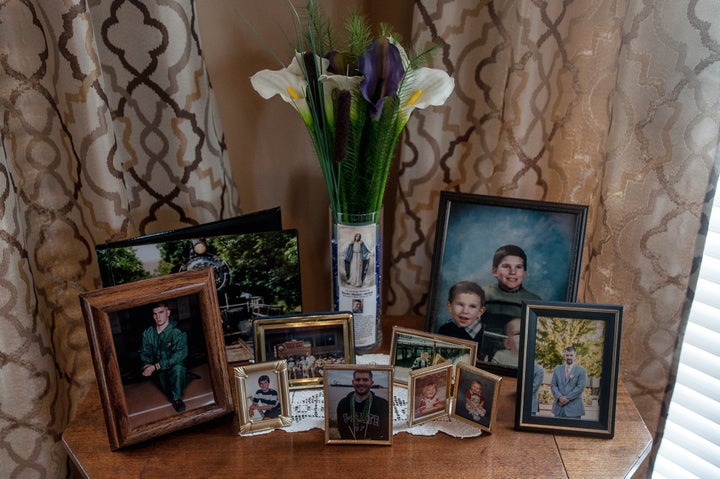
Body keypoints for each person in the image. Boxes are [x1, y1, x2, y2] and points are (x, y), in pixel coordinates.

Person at [140, 302, 192, 413]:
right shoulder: (148, 333)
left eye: (161, 312)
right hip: (159, 370)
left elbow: (179, 355)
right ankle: (183, 379)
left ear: (168, 312)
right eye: (155, 314)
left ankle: (177, 400)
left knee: (178, 369)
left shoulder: (178, 333)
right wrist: (147, 365)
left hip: (173, 367)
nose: (158, 317)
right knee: (165, 386)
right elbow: (146, 352)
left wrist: (156, 366)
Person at [483, 245, 541, 320]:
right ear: (494, 271)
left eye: (518, 267)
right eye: (506, 266)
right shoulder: (482, 295)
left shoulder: (534, 302)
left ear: (524, 273)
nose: (513, 272)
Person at [336, 370, 389, 440]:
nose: (361, 383)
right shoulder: (343, 404)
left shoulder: (383, 405)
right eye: (357, 379)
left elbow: (386, 432)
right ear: (353, 382)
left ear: (371, 383)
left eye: (365, 380)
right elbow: (341, 429)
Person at [437, 281, 486, 348]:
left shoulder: (484, 338)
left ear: (480, 312)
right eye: (460, 304)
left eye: (472, 306)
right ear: (450, 306)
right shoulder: (444, 329)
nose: (465, 311)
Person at [550, 346, 587, 419]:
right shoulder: (557, 369)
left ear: (575, 356)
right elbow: (553, 385)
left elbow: (580, 388)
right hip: (558, 408)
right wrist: (559, 397)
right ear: (564, 356)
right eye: (567, 355)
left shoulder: (581, 370)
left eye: (571, 355)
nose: (569, 357)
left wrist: (566, 398)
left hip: (574, 410)